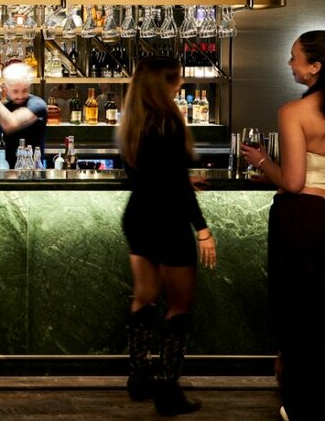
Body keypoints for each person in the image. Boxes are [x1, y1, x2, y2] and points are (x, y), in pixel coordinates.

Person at [241, 30, 325, 421]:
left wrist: (261, 161)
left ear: (314, 67)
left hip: (301, 216)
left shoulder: (293, 112)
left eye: (294, 57)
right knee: (316, 312)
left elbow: (294, 182)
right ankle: (312, 402)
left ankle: (302, 406)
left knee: (294, 314)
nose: (289, 62)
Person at [118, 55, 216, 416]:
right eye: (178, 79)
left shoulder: (132, 122)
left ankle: (139, 378)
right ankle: (168, 392)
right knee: (179, 305)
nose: (182, 84)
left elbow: (150, 175)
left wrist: (179, 178)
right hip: (169, 220)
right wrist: (202, 229)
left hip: (139, 216)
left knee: (143, 297)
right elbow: (175, 185)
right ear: (167, 84)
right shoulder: (170, 122)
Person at [0, 62, 47, 168]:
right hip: (9, 170)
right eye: (15, 91)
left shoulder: (37, 104)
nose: (20, 96)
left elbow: (11, 123)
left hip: (34, 170)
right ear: (6, 89)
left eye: (24, 90)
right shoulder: (5, 106)